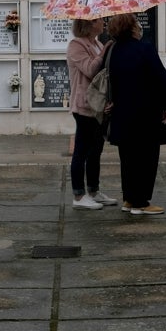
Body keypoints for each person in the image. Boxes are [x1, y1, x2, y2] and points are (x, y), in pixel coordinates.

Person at [106, 12, 166, 215]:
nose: (139, 27)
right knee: (146, 158)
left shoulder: (114, 50)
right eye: (136, 24)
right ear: (132, 28)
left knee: (127, 158)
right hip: (145, 114)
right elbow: (161, 78)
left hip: (122, 113)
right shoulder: (144, 48)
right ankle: (141, 203)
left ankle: (129, 199)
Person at [66, 18, 117, 210]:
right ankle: (79, 196)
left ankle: (94, 191)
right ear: (87, 24)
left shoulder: (96, 43)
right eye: (99, 20)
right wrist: (105, 51)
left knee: (96, 151)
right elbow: (90, 69)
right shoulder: (76, 46)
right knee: (81, 151)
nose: (103, 22)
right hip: (84, 106)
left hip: (99, 106)